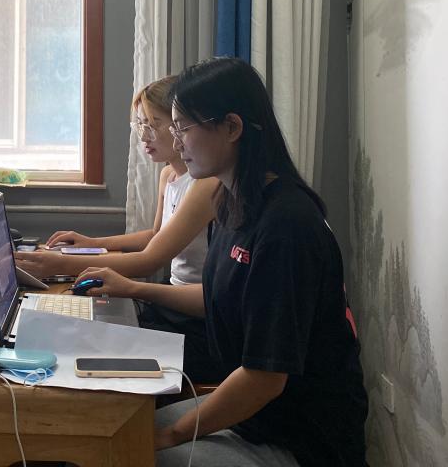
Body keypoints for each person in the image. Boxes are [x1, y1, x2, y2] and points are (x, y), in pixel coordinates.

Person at [77, 58, 367, 466]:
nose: (176, 143)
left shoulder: (286, 226)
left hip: (297, 438)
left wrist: (171, 435)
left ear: (232, 128)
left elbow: (264, 379)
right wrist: (134, 289)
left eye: (183, 128)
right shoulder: (232, 203)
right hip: (256, 418)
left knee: (125, 455)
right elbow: (218, 297)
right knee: (106, 432)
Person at [15, 76, 222, 380]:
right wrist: (92, 242)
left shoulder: (204, 184)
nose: (145, 136)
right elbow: (155, 236)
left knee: (87, 345)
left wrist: (60, 264)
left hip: (194, 313)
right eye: (140, 125)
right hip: (171, 298)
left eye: (154, 125)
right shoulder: (169, 175)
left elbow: (150, 259)